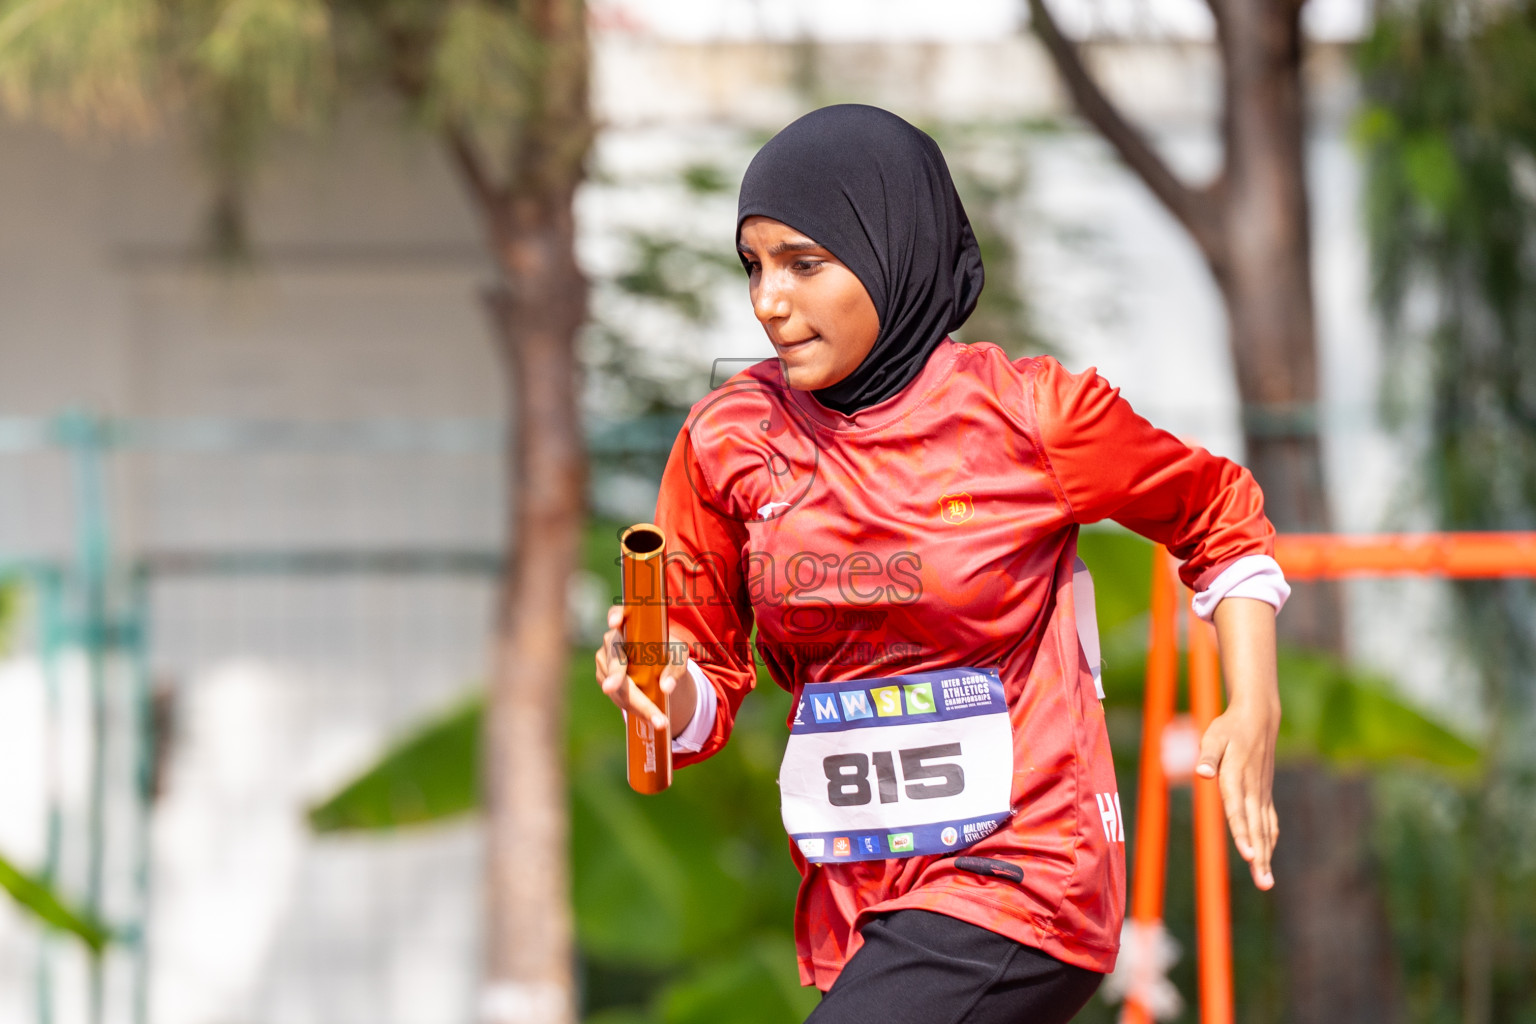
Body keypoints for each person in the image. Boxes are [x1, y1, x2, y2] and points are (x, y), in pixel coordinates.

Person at [594, 104, 1286, 1024]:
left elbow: (1218, 512)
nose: (768, 300)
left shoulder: (1034, 415)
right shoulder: (727, 438)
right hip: (862, 899)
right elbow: (706, 684)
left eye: (804, 263)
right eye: (753, 265)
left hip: (1023, 876)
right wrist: (664, 689)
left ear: (892, 250)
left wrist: (1256, 701)